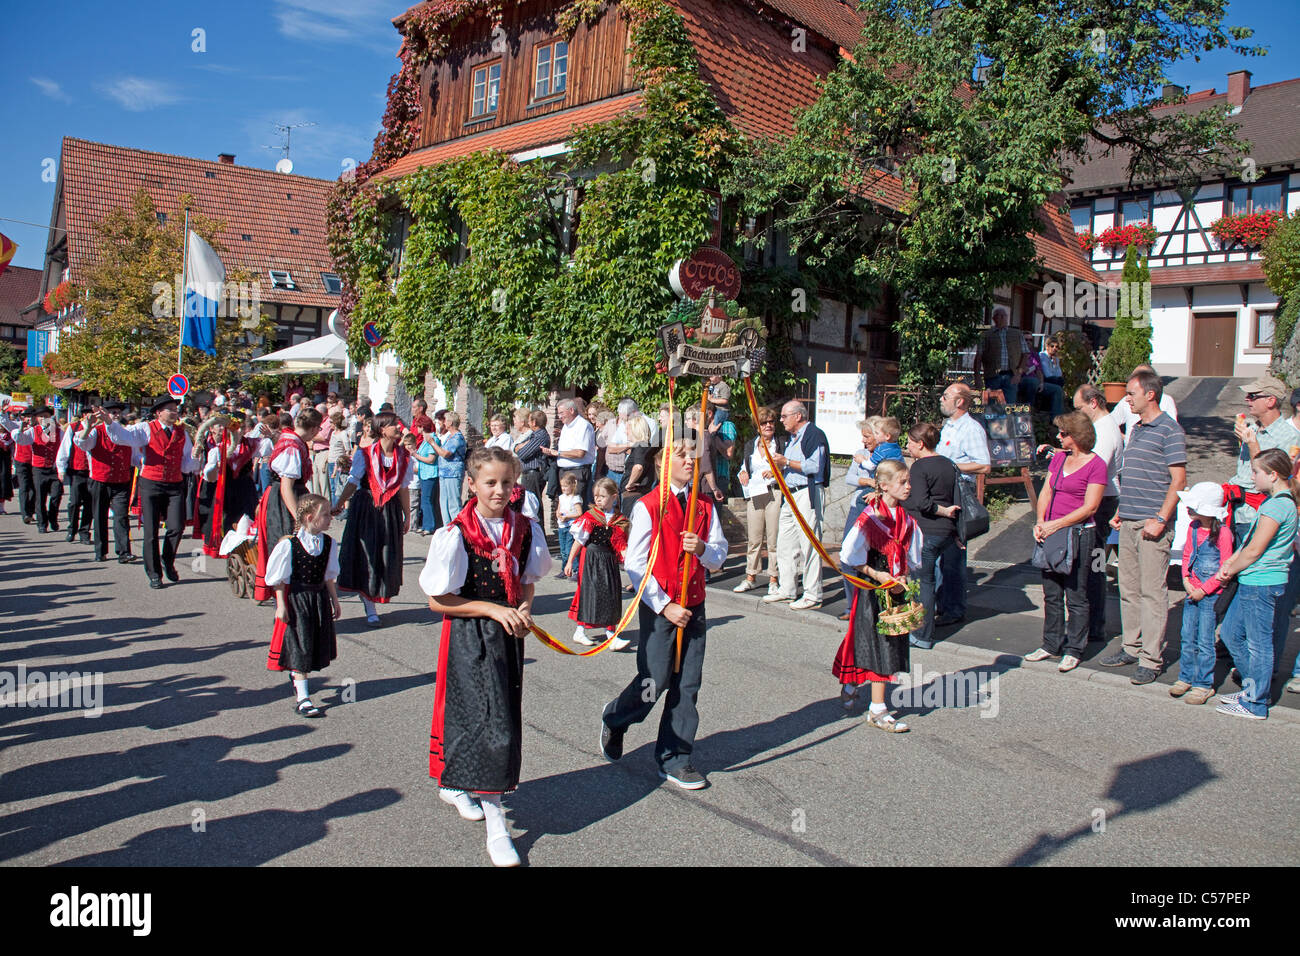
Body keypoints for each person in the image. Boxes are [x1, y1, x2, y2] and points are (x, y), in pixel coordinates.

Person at [421, 446, 551, 867]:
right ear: (472, 484)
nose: (499, 491)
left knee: (499, 718)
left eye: (507, 483)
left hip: (509, 637)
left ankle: (456, 782)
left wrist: (524, 607)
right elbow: (438, 601)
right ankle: (498, 824)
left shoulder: (525, 529)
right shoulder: (457, 533)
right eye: (490, 483)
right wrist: (493, 608)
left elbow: (528, 579)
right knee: (486, 722)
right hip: (469, 633)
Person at [599, 438, 728, 790]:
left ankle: (675, 757)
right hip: (661, 605)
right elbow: (636, 563)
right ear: (664, 463)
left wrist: (702, 548)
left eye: (693, 456)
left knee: (687, 683)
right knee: (654, 681)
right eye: (682, 455)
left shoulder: (703, 505)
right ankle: (617, 716)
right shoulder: (649, 505)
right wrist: (664, 604)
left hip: (694, 603)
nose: (690, 461)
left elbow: (719, 554)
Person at [1101, 369, 1187, 684]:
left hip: (1153, 524)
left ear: (1150, 394)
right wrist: (1122, 510)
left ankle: (1151, 659)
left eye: (1131, 393)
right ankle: (1131, 646)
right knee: (1129, 588)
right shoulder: (1136, 428)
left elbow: (1178, 480)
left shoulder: (1170, 430)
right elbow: (1135, 474)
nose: (1127, 399)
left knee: (1152, 592)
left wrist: (1162, 518)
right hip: (1129, 520)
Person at [832, 459, 921, 731]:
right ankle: (877, 709)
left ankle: (851, 681)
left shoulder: (907, 520)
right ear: (884, 486)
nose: (908, 487)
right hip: (874, 590)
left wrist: (902, 576)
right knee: (879, 644)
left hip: (896, 589)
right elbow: (849, 556)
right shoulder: (869, 518)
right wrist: (877, 574)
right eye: (902, 482)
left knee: (881, 643)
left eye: (908, 481)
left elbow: (913, 557)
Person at [1213, 448, 1299, 719]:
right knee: (1230, 633)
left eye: (1256, 472)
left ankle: (1256, 701)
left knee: (1258, 644)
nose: (1253, 478)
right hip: (1253, 579)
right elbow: (1250, 543)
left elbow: (1255, 550)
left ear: (1273, 475)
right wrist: (1232, 564)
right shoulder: (1274, 502)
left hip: (1261, 582)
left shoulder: (1277, 505)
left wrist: (1228, 571)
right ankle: (1253, 690)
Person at [1023, 411, 1106, 672]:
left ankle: (1075, 648)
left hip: (1079, 533)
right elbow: (1047, 491)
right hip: (1051, 532)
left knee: (1076, 593)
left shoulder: (1096, 465)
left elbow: (1090, 506)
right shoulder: (1059, 459)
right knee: (1051, 592)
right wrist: (1040, 521)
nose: (1058, 437)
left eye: (1063, 433)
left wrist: (1055, 524)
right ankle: (1051, 643)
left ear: (1077, 436)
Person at [101, 398, 199, 588]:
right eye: (170, 409)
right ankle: (154, 573)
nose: (174, 412)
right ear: (158, 413)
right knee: (151, 531)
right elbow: (123, 437)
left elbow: (187, 462)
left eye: (175, 409)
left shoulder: (182, 432)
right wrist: (108, 422)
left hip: (174, 484)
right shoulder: (145, 428)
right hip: (151, 483)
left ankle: (168, 561)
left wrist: (197, 458)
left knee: (177, 526)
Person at [332, 411, 412, 626]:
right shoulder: (365, 454)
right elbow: (353, 481)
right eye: (394, 424)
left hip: (390, 509)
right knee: (366, 554)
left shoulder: (403, 457)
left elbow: (403, 488)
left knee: (384, 554)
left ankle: (377, 592)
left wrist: (407, 515)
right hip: (366, 507)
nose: (399, 427)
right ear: (382, 429)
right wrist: (339, 503)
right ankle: (369, 603)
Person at [266, 494, 341, 719]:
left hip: (318, 599)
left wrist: (334, 600)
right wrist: (281, 605)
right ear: (310, 518)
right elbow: (278, 579)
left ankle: (299, 683)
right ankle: (303, 699)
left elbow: (329, 575)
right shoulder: (289, 545)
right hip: (298, 600)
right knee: (301, 647)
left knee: (313, 644)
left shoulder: (328, 543)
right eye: (325, 515)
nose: (330, 519)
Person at [1169, 482, 1233, 706]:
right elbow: (1187, 555)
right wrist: (1186, 580)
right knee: (1187, 636)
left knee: (1205, 640)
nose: (1189, 510)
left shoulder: (1223, 534)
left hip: (1208, 595)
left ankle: (1203, 684)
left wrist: (1203, 590)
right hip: (1192, 591)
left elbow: (1224, 568)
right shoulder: (1193, 528)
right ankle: (1186, 676)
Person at [763, 400, 830, 610]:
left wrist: (786, 463)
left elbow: (815, 466)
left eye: (784, 416)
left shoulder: (814, 435)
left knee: (809, 543)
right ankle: (787, 588)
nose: (781, 420)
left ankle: (813, 593)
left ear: (798, 416)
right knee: (785, 543)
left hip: (806, 494)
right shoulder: (793, 439)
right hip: (789, 495)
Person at [901, 423, 961, 650]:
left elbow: (921, 502)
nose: (907, 446)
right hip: (945, 531)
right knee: (932, 579)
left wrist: (941, 510)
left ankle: (921, 634)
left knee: (922, 582)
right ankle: (928, 624)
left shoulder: (919, 467)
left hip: (925, 530)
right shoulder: (949, 464)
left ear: (920, 444)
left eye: (909, 442)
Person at [936, 382, 991, 625]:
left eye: (946, 396)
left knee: (954, 554)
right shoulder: (949, 426)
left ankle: (954, 609)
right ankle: (940, 604)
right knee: (938, 552)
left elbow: (984, 465)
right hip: (941, 492)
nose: (941, 399)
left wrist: (950, 466)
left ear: (959, 402)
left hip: (958, 492)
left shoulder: (972, 428)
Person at [253, 409, 321, 602]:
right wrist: (298, 517)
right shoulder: (292, 444)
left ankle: (290, 593)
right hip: (284, 500)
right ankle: (286, 596)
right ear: (314, 429)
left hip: (287, 495)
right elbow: (286, 487)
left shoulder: (289, 437)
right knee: (287, 543)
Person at [838, 417, 904, 616]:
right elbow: (850, 478)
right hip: (859, 505)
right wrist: (867, 481)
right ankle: (853, 606)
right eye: (864, 436)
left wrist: (879, 488)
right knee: (848, 555)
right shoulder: (861, 455)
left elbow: (897, 480)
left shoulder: (891, 455)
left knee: (878, 559)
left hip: (881, 510)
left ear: (880, 436)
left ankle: (878, 606)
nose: (864, 441)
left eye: (868, 436)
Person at [1073, 385, 1121, 642]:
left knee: (1094, 564)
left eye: (1079, 408)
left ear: (1093, 403)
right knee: (1093, 564)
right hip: (1103, 499)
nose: (1078, 413)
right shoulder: (1103, 427)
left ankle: (1095, 624)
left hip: (1102, 503)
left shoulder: (1105, 430)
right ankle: (1092, 621)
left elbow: (1094, 469)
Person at [566, 477, 630, 649]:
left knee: (611, 594)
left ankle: (611, 634)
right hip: (591, 559)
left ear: (614, 497)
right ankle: (580, 631)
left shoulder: (620, 520)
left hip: (609, 561)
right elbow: (579, 541)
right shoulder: (590, 517)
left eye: (602, 496)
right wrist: (570, 561)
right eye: (596, 496)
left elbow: (622, 546)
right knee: (589, 593)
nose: (598, 499)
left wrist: (632, 567)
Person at [73, 402, 136, 563]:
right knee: (100, 516)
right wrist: (88, 427)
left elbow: (135, 456)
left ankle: (124, 552)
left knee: (121, 516)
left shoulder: (127, 432)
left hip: (121, 481)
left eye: (118, 412)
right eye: (112, 412)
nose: (116, 415)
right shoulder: (96, 431)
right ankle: (100, 551)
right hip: (100, 480)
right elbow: (82, 443)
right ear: (105, 414)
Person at [195, 413, 259, 558]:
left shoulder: (252, 444)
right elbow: (209, 477)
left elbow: (268, 451)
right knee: (226, 517)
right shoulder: (219, 449)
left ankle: (245, 547)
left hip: (245, 487)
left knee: (247, 517)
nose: (239, 431)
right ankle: (226, 546)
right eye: (235, 428)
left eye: (242, 428)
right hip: (226, 487)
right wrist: (216, 468)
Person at [734, 406, 784, 594]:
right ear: (758, 426)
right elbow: (744, 466)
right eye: (764, 423)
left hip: (773, 492)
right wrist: (743, 473)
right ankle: (750, 576)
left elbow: (786, 465)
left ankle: (773, 578)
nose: (768, 426)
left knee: (773, 539)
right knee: (754, 538)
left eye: (771, 422)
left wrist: (776, 471)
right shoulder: (750, 445)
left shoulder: (780, 443)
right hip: (754, 493)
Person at [17, 406, 63, 533]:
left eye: (46, 416)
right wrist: (20, 429)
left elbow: (65, 447)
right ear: (37, 419)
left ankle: (53, 518)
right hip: (39, 469)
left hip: (54, 469)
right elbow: (20, 439)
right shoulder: (33, 431)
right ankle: (42, 523)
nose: (44, 419)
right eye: (41, 416)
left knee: (56, 495)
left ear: (51, 417)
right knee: (40, 497)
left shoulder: (58, 431)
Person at [542, 398, 596, 506]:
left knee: (575, 507)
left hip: (577, 472)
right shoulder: (567, 426)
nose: (559, 416)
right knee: (565, 507)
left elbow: (580, 453)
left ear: (571, 410)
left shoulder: (583, 426)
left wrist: (557, 453)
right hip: (564, 471)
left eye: (562, 413)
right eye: (558, 413)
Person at [1110, 363, 1178, 440]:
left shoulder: (1166, 400)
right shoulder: (1125, 401)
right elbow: (1110, 423)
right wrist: (1125, 438)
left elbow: (1171, 430)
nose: (1127, 399)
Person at [56, 409, 94, 544]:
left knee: (90, 503)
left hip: (93, 472)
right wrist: (61, 468)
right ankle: (72, 529)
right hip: (77, 470)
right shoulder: (73, 427)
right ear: (84, 416)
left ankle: (84, 532)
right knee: (75, 502)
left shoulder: (98, 428)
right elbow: (65, 447)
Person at [974, 308, 1022, 402]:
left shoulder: (1016, 334)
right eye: (999, 316)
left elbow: (1025, 354)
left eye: (1004, 316)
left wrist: (1019, 374)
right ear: (994, 318)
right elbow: (979, 356)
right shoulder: (986, 335)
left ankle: (1008, 417)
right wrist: (977, 376)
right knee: (991, 405)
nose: (1002, 318)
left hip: (1010, 375)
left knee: (1009, 406)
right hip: (992, 375)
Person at [432, 412, 467, 525]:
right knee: (444, 502)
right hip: (444, 473)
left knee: (453, 502)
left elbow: (445, 453)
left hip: (453, 473)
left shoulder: (457, 438)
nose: (444, 422)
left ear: (450, 422)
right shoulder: (449, 437)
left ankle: (458, 527)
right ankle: (447, 526)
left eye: (446, 420)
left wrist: (432, 443)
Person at [619, 416, 656, 518]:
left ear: (635, 429)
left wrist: (629, 483)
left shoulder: (640, 446)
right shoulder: (647, 446)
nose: (626, 432)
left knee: (630, 527)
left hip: (634, 495)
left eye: (627, 429)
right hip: (640, 494)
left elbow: (638, 467)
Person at [514, 410, 549, 503]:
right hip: (528, 474)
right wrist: (521, 445)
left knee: (533, 504)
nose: (528, 423)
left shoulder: (540, 436)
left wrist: (522, 446)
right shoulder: (533, 435)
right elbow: (516, 447)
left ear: (534, 422)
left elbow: (523, 453)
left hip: (533, 474)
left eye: (529, 421)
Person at [413, 424, 441, 535]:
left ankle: (429, 526)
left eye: (418, 425)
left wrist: (415, 455)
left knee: (426, 500)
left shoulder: (432, 439)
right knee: (426, 500)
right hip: (424, 473)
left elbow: (431, 459)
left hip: (430, 474)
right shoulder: (426, 440)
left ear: (422, 427)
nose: (417, 428)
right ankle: (426, 524)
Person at [555, 472, 582, 576]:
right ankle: (564, 569)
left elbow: (579, 513)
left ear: (573, 485)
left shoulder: (575, 498)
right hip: (562, 525)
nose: (564, 488)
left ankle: (575, 570)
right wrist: (558, 514)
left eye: (566, 486)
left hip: (571, 526)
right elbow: (558, 509)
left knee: (570, 548)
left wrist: (568, 517)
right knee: (563, 549)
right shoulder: (562, 497)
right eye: (562, 486)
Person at [326, 410, 353, 507]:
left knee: (338, 487)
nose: (330, 424)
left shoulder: (343, 434)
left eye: (331, 422)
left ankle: (338, 507)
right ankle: (333, 506)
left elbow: (347, 449)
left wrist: (343, 463)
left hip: (338, 463)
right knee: (332, 487)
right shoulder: (333, 433)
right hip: (330, 461)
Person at [1037, 335, 1067, 417]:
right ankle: (1054, 413)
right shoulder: (1042, 356)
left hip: (1053, 380)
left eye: (1057, 347)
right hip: (1044, 380)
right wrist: (1054, 368)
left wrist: (1055, 364)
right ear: (1047, 346)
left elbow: (1059, 374)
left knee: (1060, 381)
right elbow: (1048, 374)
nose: (1055, 349)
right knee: (1057, 383)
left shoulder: (1055, 359)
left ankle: (1050, 409)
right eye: (1052, 346)